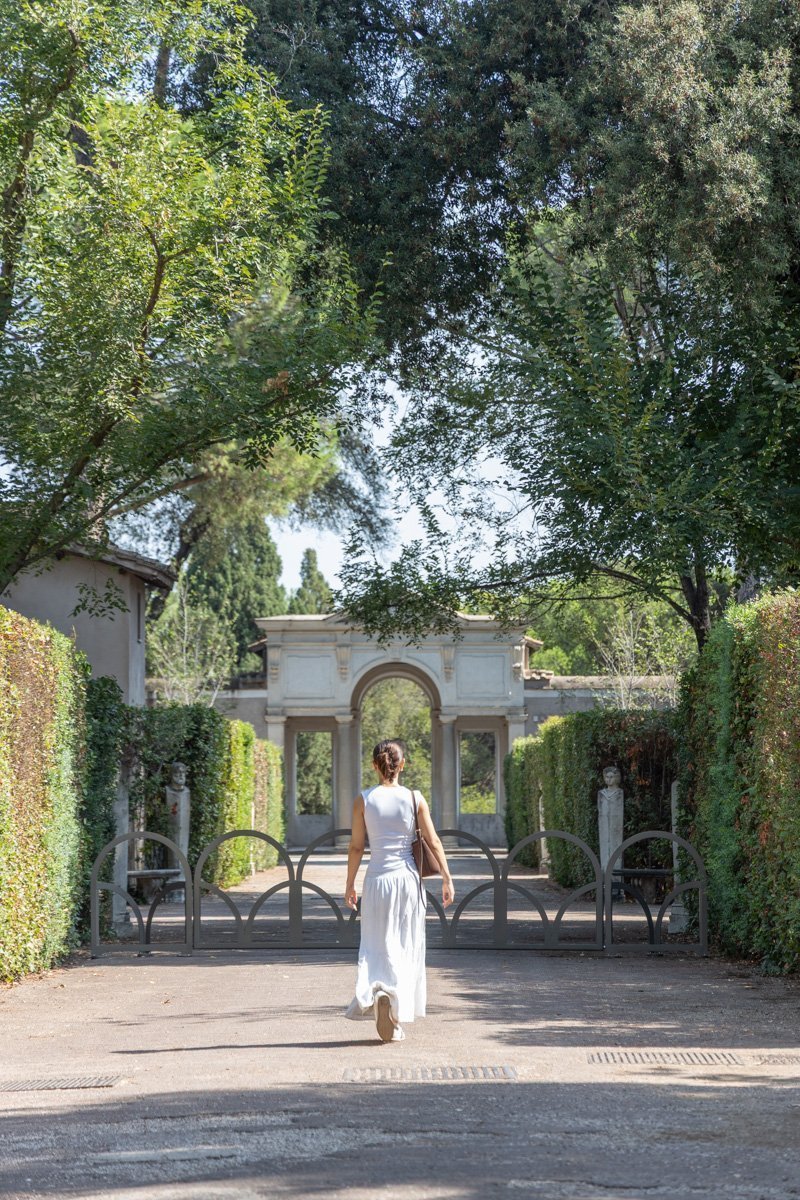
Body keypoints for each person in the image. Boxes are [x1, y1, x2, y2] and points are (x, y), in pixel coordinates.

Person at [344, 738, 454, 1043]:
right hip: (407, 881)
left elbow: (356, 846)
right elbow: (433, 842)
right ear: (401, 765)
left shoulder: (363, 800)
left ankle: (381, 990)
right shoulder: (414, 798)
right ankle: (394, 1009)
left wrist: (350, 883)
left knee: (377, 942)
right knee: (405, 944)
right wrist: (446, 876)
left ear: (374, 766)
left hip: (377, 879)